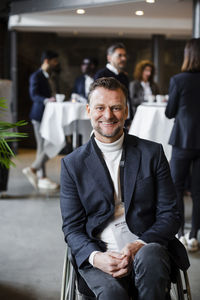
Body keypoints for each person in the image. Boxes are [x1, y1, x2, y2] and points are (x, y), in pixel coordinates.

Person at [60, 77, 189, 300]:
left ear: (127, 111)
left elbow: (170, 214)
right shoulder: (73, 164)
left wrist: (139, 244)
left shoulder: (152, 154)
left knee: (150, 258)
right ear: (89, 110)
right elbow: (72, 228)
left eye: (116, 108)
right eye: (100, 108)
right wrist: (95, 257)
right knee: (111, 294)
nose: (108, 115)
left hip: (147, 246)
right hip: (100, 252)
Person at [165, 38, 200, 252]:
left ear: (188, 55)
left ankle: (179, 234)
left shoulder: (178, 80)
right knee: (198, 191)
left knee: (175, 187)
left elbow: (170, 112)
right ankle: (195, 235)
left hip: (183, 140)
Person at [23, 50, 59, 190]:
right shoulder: (36, 76)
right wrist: (46, 100)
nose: (56, 63)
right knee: (44, 145)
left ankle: (39, 175)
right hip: (38, 116)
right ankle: (38, 173)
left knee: (43, 146)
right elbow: (33, 95)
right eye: (54, 61)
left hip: (49, 116)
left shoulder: (50, 76)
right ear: (46, 61)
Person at [94, 43, 133, 121]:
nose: (123, 58)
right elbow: (97, 99)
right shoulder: (101, 74)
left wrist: (130, 116)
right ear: (109, 58)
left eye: (125, 55)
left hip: (124, 118)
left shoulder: (124, 76)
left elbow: (127, 98)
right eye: (120, 55)